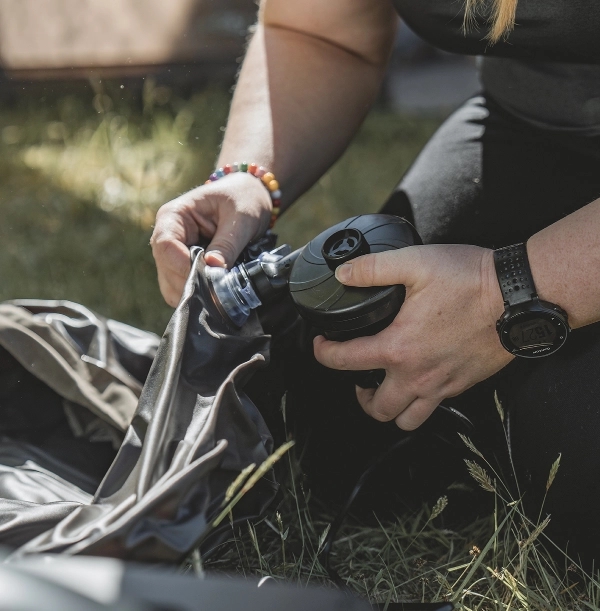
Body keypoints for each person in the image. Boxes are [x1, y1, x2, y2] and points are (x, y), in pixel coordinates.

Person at [151, 0, 600, 560]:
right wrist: (247, 178)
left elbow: (505, 295)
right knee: (339, 421)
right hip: (535, 127)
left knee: (575, 458)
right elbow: (322, 32)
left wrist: (507, 291)